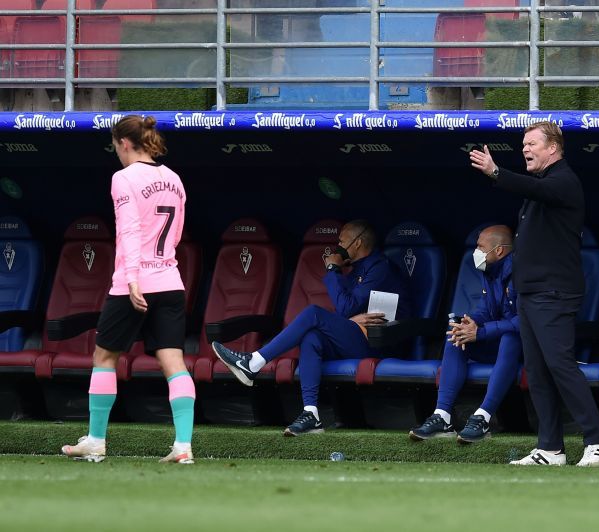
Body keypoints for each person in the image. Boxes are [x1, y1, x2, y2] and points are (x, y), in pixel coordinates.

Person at [469, 122, 599, 467]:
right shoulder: (539, 186)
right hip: (530, 294)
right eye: (523, 145)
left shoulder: (563, 181)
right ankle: (550, 448)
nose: (525, 149)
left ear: (553, 148)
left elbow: (539, 191)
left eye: (532, 143)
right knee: (537, 371)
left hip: (554, 293)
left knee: (560, 365)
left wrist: (496, 172)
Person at [61, 115, 194, 464]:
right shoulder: (174, 179)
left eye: (114, 146)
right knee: (174, 362)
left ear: (123, 143)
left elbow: (129, 231)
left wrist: (133, 278)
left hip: (134, 283)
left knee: (104, 357)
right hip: (170, 280)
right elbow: (176, 234)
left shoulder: (123, 178)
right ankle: (183, 446)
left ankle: (96, 440)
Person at [212, 219, 412, 436]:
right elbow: (347, 313)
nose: (338, 247)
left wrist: (332, 269)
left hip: (382, 342)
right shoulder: (355, 270)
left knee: (313, 313)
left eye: (342, 241)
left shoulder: (380, 267)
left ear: (357, 243)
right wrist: (350, 318)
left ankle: (253, 362)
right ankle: (311, 414)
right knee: (312, 338)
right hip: (360, 338)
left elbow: (345, 309)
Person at [410, 225, 522, 444]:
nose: (476, 252)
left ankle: (483, 416)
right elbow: (486, 310)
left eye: (480, 246)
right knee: (456, 332)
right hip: (497, 343)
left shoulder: (521, 272)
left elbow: (526, 322)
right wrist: (471, 323)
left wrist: (481, 332)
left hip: (528, 349)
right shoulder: (490, 272)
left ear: (498, 250)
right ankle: (442, 415)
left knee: (511, 337)